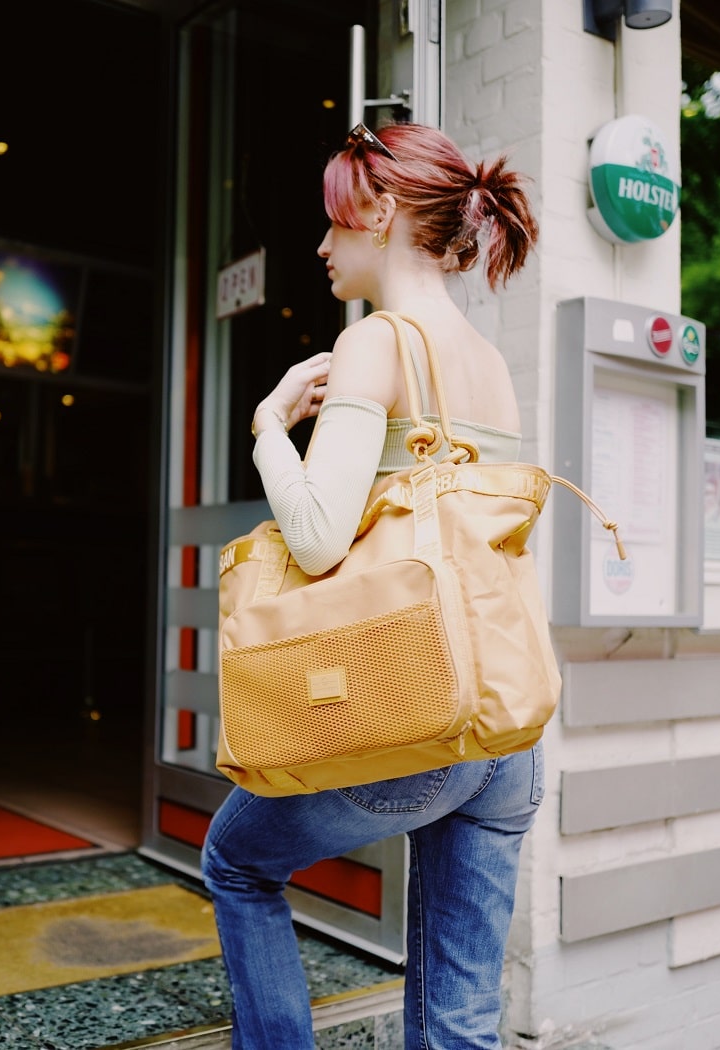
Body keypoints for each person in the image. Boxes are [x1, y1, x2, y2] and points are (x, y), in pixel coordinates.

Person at [199, 121, 545, 1049]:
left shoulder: (376, 343)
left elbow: (315, 541)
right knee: (460, 1016)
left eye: (336, 222)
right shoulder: (491, 361)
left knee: (235, 862)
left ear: (384, 213)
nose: (321, 244)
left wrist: (271, 423)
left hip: (412, 714)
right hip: (505, 726)